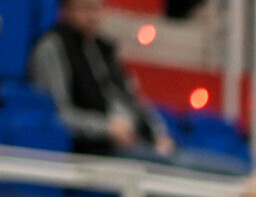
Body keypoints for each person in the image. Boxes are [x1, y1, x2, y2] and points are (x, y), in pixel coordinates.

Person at [29, 0, 175, 159]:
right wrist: (107, 129)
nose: (92, 16)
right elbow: (57, 113)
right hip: (92, 149)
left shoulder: (103, 49)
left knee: (187, 161)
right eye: (85, 9)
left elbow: (135, 100)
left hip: (137, 143)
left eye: (97, 9)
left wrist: (159, 135)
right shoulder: (51, 48)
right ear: (64, 11)